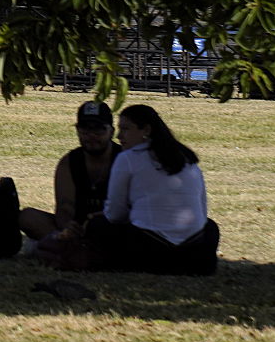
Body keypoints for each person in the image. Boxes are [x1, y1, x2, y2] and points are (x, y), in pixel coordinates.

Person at [87, 103, 220, 275]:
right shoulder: (187, 159)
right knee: (210, 226)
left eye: (126, 129)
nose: (119, 136)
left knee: (97, 225)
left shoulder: (128, 158)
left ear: (146, 130)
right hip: (193, 251)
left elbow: (115, 214)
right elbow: (201, 211)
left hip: (148, 249)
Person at [18, 99, 118, 257]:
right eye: (85, 130)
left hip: (113, 228)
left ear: (111, 131)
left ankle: (57, 248)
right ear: (77, 131)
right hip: (76, 229)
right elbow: (64, 209)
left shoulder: (124, 160)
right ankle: (71, 248)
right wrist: (68, 229)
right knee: (28, 216)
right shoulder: (69, 163)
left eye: (99, 130)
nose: (91, 136)